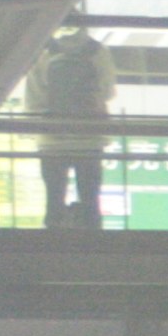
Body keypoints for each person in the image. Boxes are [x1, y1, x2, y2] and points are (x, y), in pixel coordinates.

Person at [28, 22, 115, 231]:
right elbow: (107, 91)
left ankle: (53, 238)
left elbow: (34, 97)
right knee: (91, 199)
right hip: (90, 137)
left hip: (52, 140)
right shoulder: (98, 51)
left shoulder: (43, 50)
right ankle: (93, 240)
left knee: (54, 199)